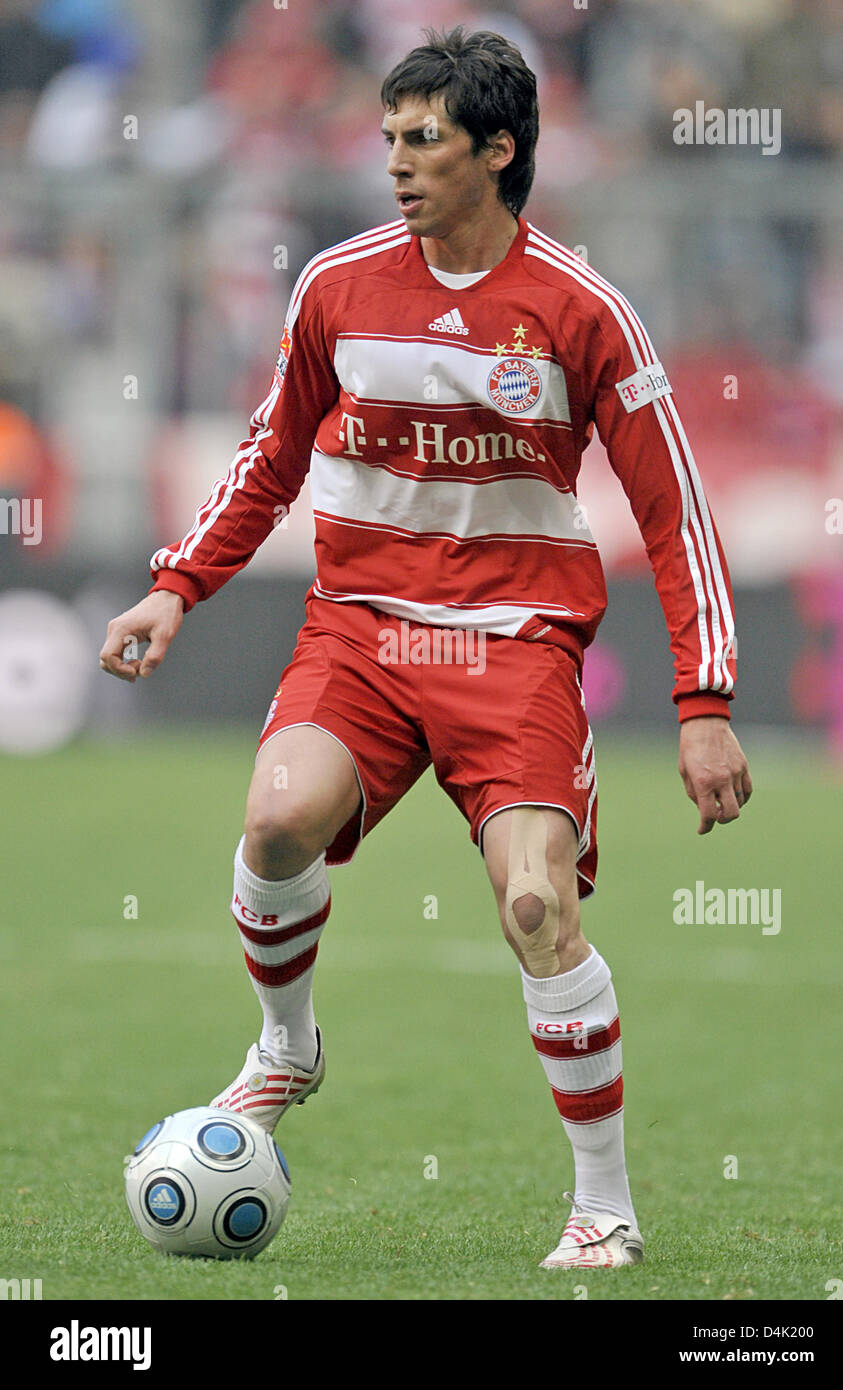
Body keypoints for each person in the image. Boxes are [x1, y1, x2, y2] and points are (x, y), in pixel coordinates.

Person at [100, 27, 752, 1272]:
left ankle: (603, 1206)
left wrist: (703, 699)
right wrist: (176, 587)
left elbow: (676, 511)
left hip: (515, 649)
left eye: (422, 139)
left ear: (498, 150)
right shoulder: (338, 286)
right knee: (277, 822)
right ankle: (287, 1045)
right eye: (388, 136)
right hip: (362, 631)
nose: (392, 162)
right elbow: (268, 457)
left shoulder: (580, 310)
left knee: (534, 904)